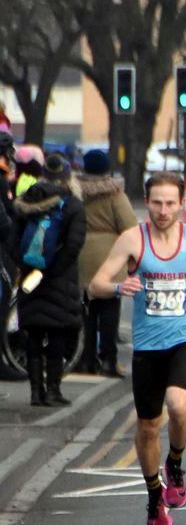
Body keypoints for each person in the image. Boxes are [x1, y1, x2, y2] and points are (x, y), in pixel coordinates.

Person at [87, 172, 186, 525]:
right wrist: (120, 287)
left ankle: (176, 463)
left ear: (182, 204)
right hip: (148, 346)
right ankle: (154, 498)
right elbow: (96, 284)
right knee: (148, 426)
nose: (163, 210)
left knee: (180, 406)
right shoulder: (133, 239)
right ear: (146, 202)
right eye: (157, 203)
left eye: (170, 203)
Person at [9, 153, 86, 405]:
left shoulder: (26, 201)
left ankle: (35, 392)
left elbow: (13, 241)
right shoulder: (72, 205)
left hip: (30, 278)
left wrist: (27, 267)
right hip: (59, 279)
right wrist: (52, 270)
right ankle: (53, 390)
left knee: (33, 333)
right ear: (66, 176)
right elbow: (74, 245)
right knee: (57, 334)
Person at [77, 150, 137, 377]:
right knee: (109, 309)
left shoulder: (75, 192)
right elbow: (129, 225)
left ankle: (85, 359)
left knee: (86, 311)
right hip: (110, 254)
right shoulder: (114, 194)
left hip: (81, 254)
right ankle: (109, 360)